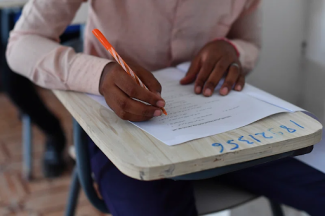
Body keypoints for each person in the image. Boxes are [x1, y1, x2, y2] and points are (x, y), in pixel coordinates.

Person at [6, 0, 325, 215]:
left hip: (226, 121)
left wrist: (231, 49)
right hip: (120, 127)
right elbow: (22, 43)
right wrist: (98, 74)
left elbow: (249, 43)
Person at [0, 9, 66, 178]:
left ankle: (53, 131)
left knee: (11, 80)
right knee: (11, 79)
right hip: (8, 22)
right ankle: (45, 123)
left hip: (52, 21)